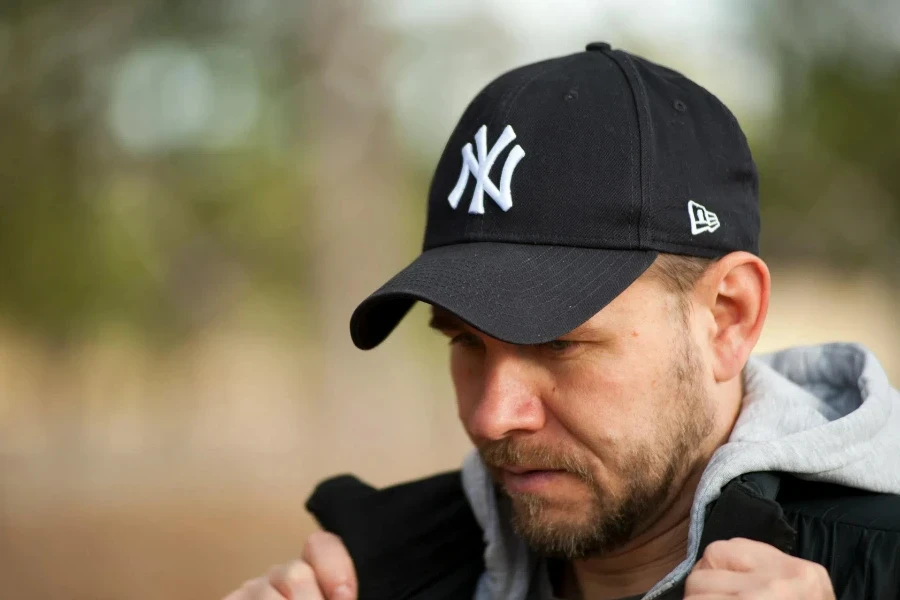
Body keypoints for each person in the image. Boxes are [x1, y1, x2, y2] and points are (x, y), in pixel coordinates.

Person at [223, 43, 900, 600]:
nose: (492, 417)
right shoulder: (376, 575)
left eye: (558, 342)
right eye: (464, 341)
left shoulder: (874, 567)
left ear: (728, 317)